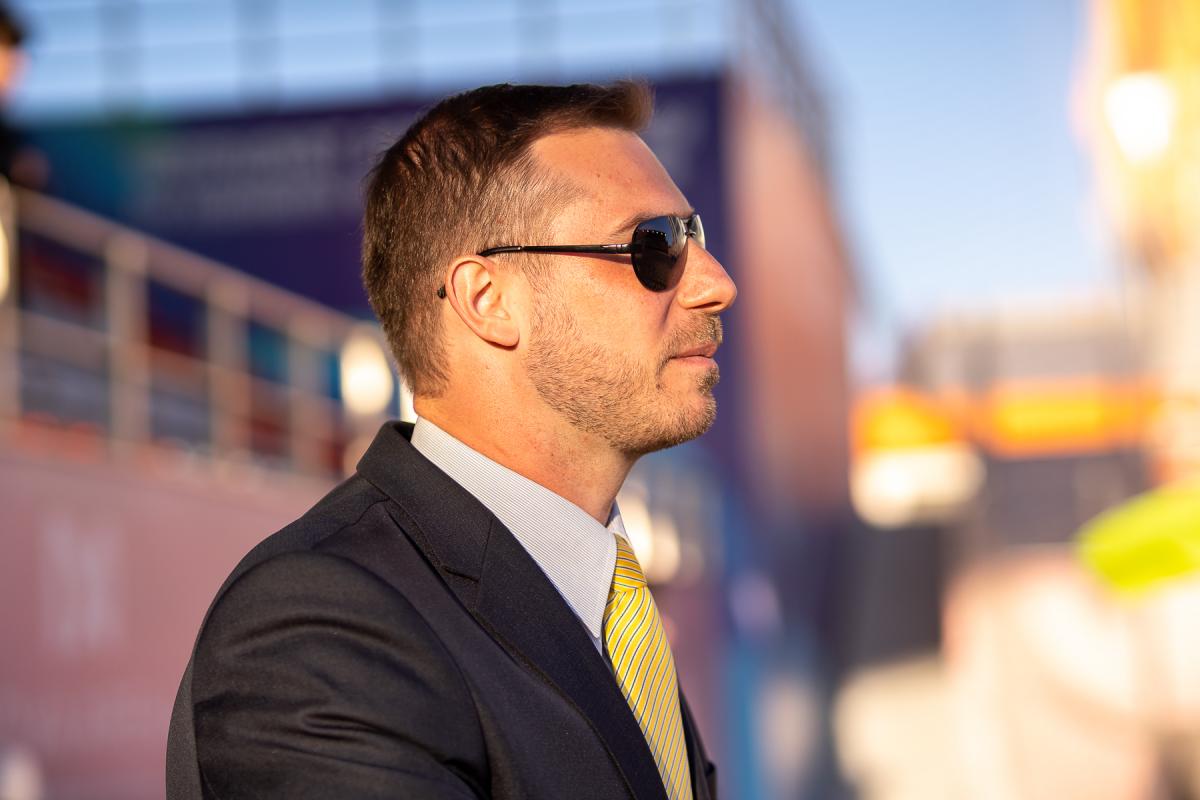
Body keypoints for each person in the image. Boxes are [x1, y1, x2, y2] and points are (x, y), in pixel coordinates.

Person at [166, 81, 736, 799]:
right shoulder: (322, 627)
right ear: (486, 300)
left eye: (696, 236)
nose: (717, 284)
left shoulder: (612, 606)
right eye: (654, 245)